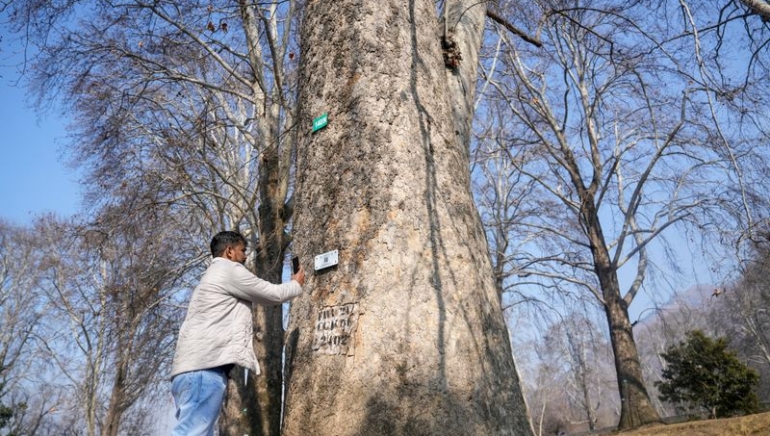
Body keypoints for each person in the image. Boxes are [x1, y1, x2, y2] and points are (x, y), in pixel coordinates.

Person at [169, 230, 305, 436]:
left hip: (189, 372)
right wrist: (296, 284)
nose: (245, 256)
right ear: (229, 251)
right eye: (243, 250)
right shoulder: (229, 270)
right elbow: (271, 294)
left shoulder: (211, 276)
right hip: (203, 371)